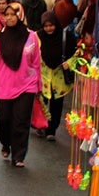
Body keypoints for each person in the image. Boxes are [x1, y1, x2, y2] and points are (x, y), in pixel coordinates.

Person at [0, 1, 41, 168]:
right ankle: (6, 143)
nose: (9, 18)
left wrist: (39, 86)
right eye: (6, 15)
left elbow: (36, 63)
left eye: (13, 14)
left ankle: (19, 155)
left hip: (27, 85)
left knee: (21, 122)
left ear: (20, 15)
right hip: (4, 87)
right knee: (3, 120)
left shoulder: (32, 36)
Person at [36, 12, 76, 141]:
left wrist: (69, 63)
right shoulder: (38, 36)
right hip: (43, 76)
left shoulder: (67, 36)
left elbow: (77, 53)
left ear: (56, 24)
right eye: (46, 26)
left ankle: (51, 130)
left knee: (56, 105)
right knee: (41, 102)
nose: (49, 28)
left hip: (59, 77)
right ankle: (40, 125)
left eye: (51, 25)